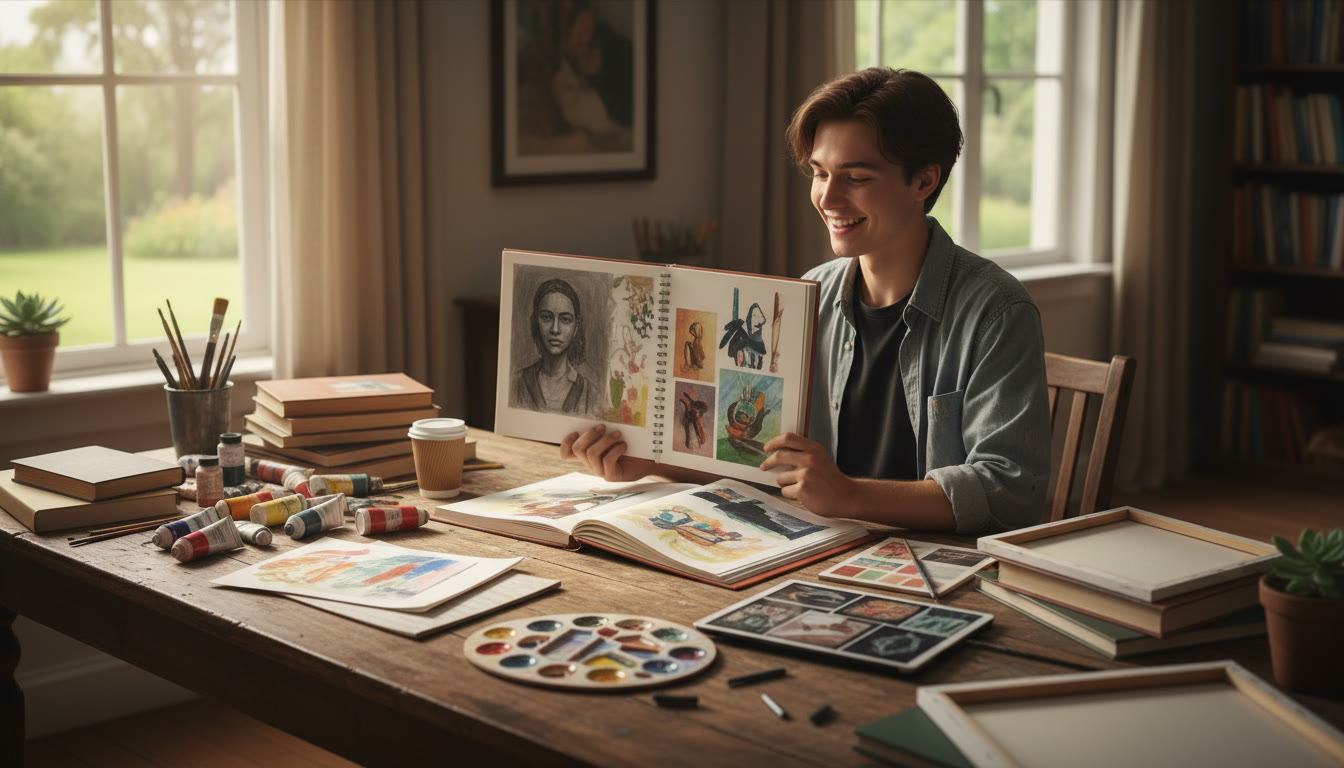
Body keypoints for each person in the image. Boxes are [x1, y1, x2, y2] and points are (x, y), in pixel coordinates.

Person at [562, 67, 1049, 535]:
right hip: (816, 550)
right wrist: (654, 462)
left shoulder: (996, 312)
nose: (828, 198)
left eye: (855, 178)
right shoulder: (809, 294)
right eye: (820, 173)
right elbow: (766, 467)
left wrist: (850, 496)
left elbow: (1009, 491)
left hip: (938, 571)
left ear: (923, 181)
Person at [511, 278, 601, 415]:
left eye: (565, 319)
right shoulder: (516, 383)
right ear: (536, 322)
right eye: (547, 317)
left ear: (576, 327)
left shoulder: (590, 393)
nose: (555, 329)